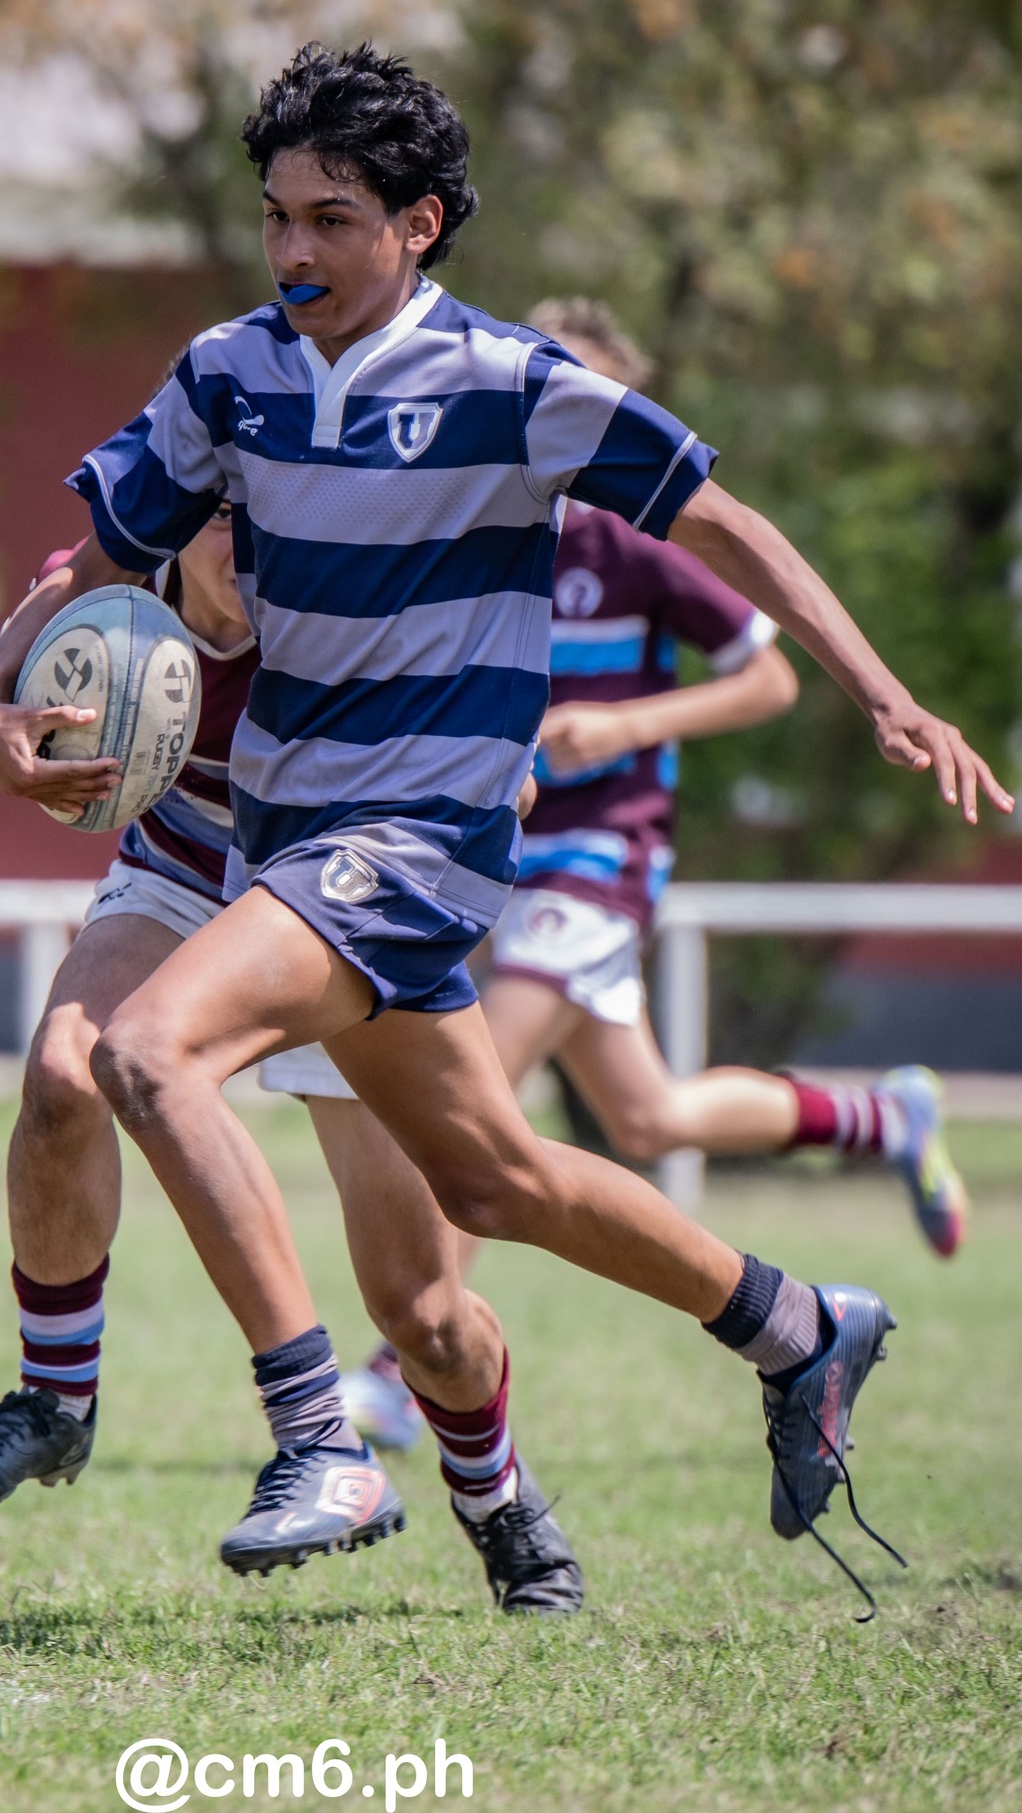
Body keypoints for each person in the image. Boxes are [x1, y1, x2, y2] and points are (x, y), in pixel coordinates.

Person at [0, 43, 1011, 1583]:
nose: (292, 250)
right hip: (282, 839)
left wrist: (883, 694)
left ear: (419, 223)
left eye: (329, 219)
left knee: (140, 1051)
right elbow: (101, 562)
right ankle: (799, 1328)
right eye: (276, 217)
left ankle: (319, 1441)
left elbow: (731, 526)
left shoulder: (514, 386)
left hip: (417, 840)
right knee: (488, 1186)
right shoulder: (225, 375)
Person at [0, 511, 586, 1611]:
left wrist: (481, 778)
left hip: (340, 907)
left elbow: (495, 746)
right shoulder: (101, 588)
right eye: (239, 525)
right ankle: (55, 1397)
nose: (267, 550)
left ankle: (498, 1501)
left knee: (423, 1312)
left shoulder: (343, 602)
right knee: (66, 1075)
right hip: (178, 872)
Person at [273, 299, 969, 1455]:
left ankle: (403, 1366)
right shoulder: (471, 524)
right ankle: (881, 1114)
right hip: (492, 846)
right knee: (647, 1112)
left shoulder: (643, 542)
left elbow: (767, 682)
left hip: (602, 853)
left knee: (473, 1091)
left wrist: (625, 722)